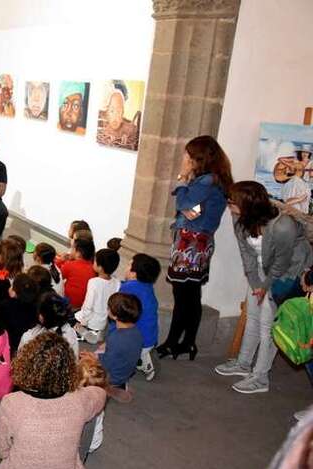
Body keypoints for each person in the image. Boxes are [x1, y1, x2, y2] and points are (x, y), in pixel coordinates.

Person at [0, 331, 106, 469]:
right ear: (69, 368)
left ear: (26, 364)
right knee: (90, 416)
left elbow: (2, 451)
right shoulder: (80, 400)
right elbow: (101, 394)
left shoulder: (11, 402)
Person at [214, 181, 313, 394]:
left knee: (269, 325)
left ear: (248, 205)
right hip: (262, 268)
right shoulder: (238, 216)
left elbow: (282, 262)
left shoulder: (283, 225)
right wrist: (255, 284)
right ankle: (243, 364)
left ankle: (260, 378)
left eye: (232, 201)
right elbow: (246, 253)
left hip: (289, 273)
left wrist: (265, 288)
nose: (228, 204)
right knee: (253, 315)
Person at [157, 135, 234, 360]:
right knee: (191, 295)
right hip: (199, 242)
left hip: (190, 245)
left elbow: (185, 205)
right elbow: (191, 211)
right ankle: (188, 343)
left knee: (183, 297)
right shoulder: (213, 180)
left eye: (188, 154)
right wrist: (187, 205)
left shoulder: (206, 181)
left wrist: (182, 180)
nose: (185, 157)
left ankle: (173, 342)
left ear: (198, 158)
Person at [120, 253, 161, 381]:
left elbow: (119, 309)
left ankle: (143, 362)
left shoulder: (127, 288)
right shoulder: (147, 287)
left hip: (138, 340)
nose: (126, 267)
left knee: (118, 352)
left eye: (129, 265)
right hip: (150, 337)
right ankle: (143, 357)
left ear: (134, 274)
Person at [75, 248, 121, 344]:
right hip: (103, 322)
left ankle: (86, 334)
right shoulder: (117, 282)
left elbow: (88, 306)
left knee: (70, 320)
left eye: (95, 261)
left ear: (100, 267)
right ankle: (95, 335)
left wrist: (82, 322)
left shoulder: (94, 282)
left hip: (91, 322)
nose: (93, 262)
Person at [99, 293, 144, 390]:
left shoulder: (116, 338)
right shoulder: (137, 332)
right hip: (126, 373)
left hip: (113, 378)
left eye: (109, 308)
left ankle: (111, 388)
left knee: (83, 364)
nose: (107, 310)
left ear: (115, 316)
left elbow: (105, 365)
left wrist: (93, 358)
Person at [18, 291, 79, 356]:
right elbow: (75, 361)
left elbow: (19, 361)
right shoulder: (71, 334)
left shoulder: (29, 337)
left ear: (41, 317)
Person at [59, 239, 97, 310]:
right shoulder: (94, 268)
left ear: (78, 253)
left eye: (72, 248)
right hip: (84, 305)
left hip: (68, 303)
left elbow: (57, 278)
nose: (70, 250)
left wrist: (60, 261)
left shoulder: (70, 265)